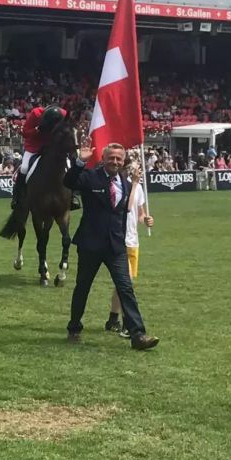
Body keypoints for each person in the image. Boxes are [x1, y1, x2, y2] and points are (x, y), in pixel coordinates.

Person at [63, 141, 159, 351]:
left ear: (123, 161)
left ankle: (138, 335)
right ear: (103, 159)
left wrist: (143, 219)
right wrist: (80, 161)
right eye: (111, 158)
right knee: (83, 287)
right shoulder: (90, 177)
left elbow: (125, 211)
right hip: (91, 244)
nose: (115, 161)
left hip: (116, 246)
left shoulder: (125, 182)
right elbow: (69, 181)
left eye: (118, 158)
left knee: (126, 287)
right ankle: (74, 328)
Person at [105, 162, 149, 339]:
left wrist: (146, 219)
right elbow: (126, 207)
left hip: (133, 241)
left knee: (121, 285)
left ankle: (112, 319)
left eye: (139, 169)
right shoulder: (121, 186)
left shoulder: (138, 188)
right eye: (135, 168)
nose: (138, 171)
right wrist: (136, 184)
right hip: (119, 241)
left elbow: (139, 213)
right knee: (126, 284)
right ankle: (127, 324)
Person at [10, 105, 67, 209]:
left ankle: (71, 197)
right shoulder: (35, 114)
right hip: (33, 146)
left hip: (51, 146)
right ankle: (17, 197)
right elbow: (25, 133)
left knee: (67, 164)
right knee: (24, 168)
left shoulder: (63, 114)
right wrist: (36, 130)